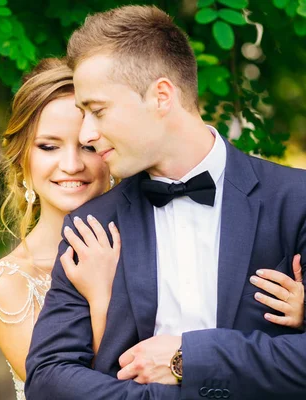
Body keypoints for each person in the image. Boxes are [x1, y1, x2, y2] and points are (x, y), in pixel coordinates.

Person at [25, 5, 306, 400]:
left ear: (161, 96)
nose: (87, 134)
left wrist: (188, 358)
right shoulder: (92, 228)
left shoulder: (296, 202)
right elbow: (49, 377)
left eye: (98, 111)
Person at [0, 58, 121, 400]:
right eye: (49, 146)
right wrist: (101, 295)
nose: (71, 165)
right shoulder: (11, 283)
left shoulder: (153, 241)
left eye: (88, 146)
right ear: (22, 161)